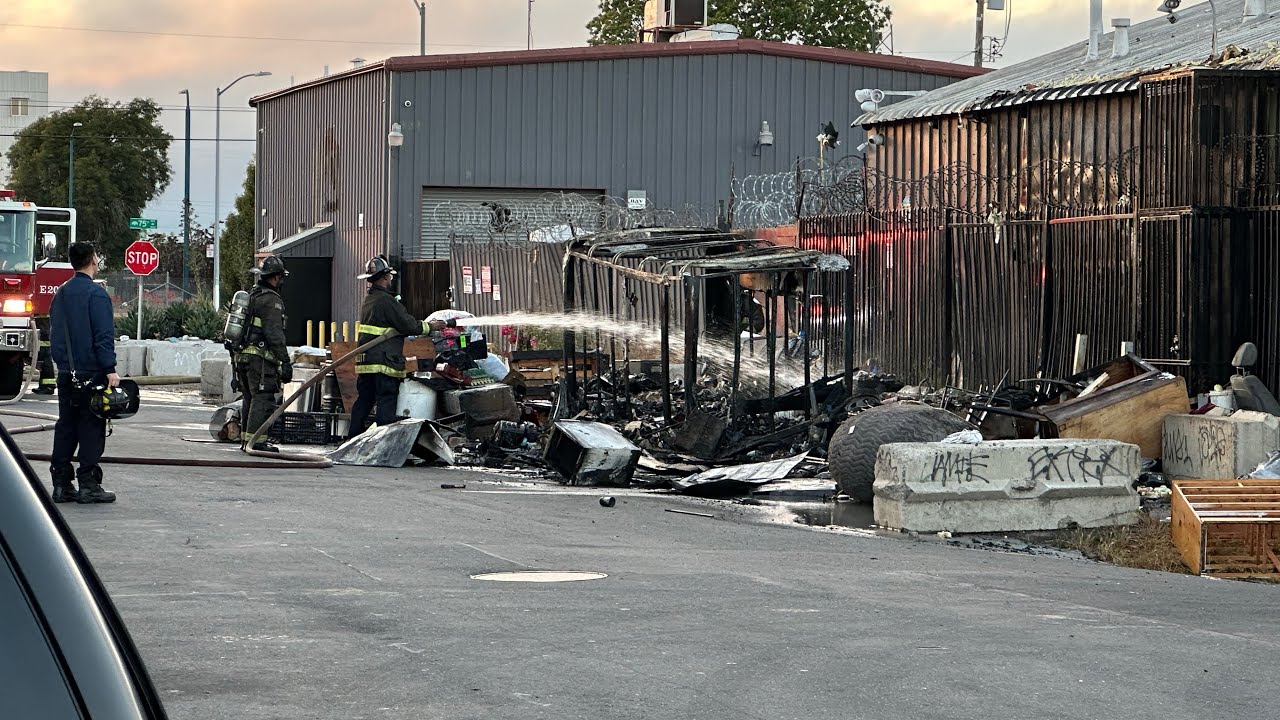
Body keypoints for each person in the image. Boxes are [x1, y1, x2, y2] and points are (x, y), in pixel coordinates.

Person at [49, 242, 118, 504]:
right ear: (92, 260)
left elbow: (54, 335)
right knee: (91, 427)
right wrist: (110, 369)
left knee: (66, 426)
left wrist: (64, 365)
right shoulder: (96, 294)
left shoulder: (61, 293)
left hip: (67, 373)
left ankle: (61, 484)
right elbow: (103, 336)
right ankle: (88, 484)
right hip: (91, 373)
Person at [348, 255, 445, 438]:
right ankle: (385, 443)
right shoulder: (387, 301)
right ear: (385, 276)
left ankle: (352, 439)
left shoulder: (370, 300)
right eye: (390, 276)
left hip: (367, 363)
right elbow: (408, 325)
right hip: (384, 363)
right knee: (386, 401)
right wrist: (431, 326)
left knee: (364, 401)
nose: (391, 279)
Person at [234, 255, 291, 452]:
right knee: (263, 397)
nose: (281, 281)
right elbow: (274, 334)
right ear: (275, 277)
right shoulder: (271, 300)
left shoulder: (253, 295)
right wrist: (285, 361)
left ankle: (246, 441)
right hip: (260, 360)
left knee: (249, 398)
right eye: (281, 277)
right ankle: (256, 442)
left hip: (242, 357)